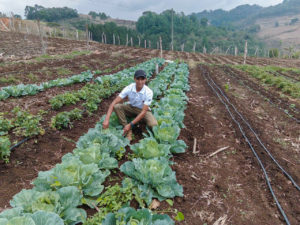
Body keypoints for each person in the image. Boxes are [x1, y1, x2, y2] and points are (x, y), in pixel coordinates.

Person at [102, 69, 158, 140]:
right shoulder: (129, 88)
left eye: (142, 79)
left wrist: (130, 124)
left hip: (143, 111)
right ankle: (128, 130)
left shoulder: (149, 92)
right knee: (117, 107)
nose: (140, 82)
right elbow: (114, 102)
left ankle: (141, 126)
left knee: (153, 124)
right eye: (138, 79)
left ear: (145, 79)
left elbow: (143, 112)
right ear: (134, 79)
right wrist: (106, 119)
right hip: (131, 108)